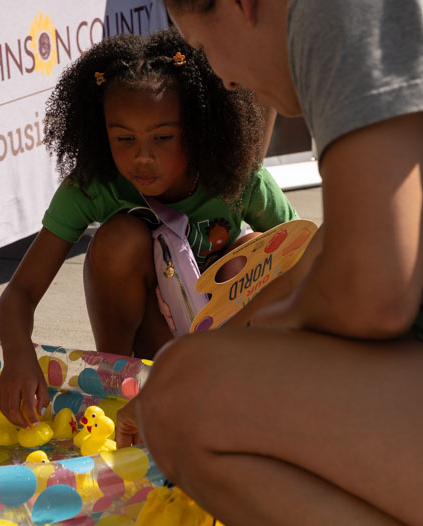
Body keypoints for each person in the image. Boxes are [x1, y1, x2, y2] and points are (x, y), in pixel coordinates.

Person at [116, 1, 423, 524]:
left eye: (207, 49)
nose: (225, 80)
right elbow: (325, 256)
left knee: (181, 404)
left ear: (243, 5)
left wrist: (243, 350)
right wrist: (224, 346)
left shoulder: (335, 13)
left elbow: (372, 295)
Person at [0, 28, 298, 428]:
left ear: (198, 128)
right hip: (151, 350)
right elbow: (20, 291)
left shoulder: (239, 179)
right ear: (100, 131)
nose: (142, 157)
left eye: (163, 137)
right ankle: (117, 385)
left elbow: (306, 255)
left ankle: (242, 387)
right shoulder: (92, 187)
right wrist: (18, 353)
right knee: (119, 238)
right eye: (123, 138)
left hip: (227, 348)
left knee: (262, 250)